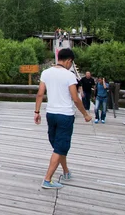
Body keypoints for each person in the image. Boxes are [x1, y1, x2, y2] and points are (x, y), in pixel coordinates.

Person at [35, 48, 92, 189]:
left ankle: (66, 171)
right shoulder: (69, 75)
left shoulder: (45, 72)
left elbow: (40, 94)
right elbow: (76, 99)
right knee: (60, 147)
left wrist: (37, 112)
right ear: (69, 61)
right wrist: (85, 114)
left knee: (58, 146)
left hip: (51, 114)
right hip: (65, 115)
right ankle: (47, 180)